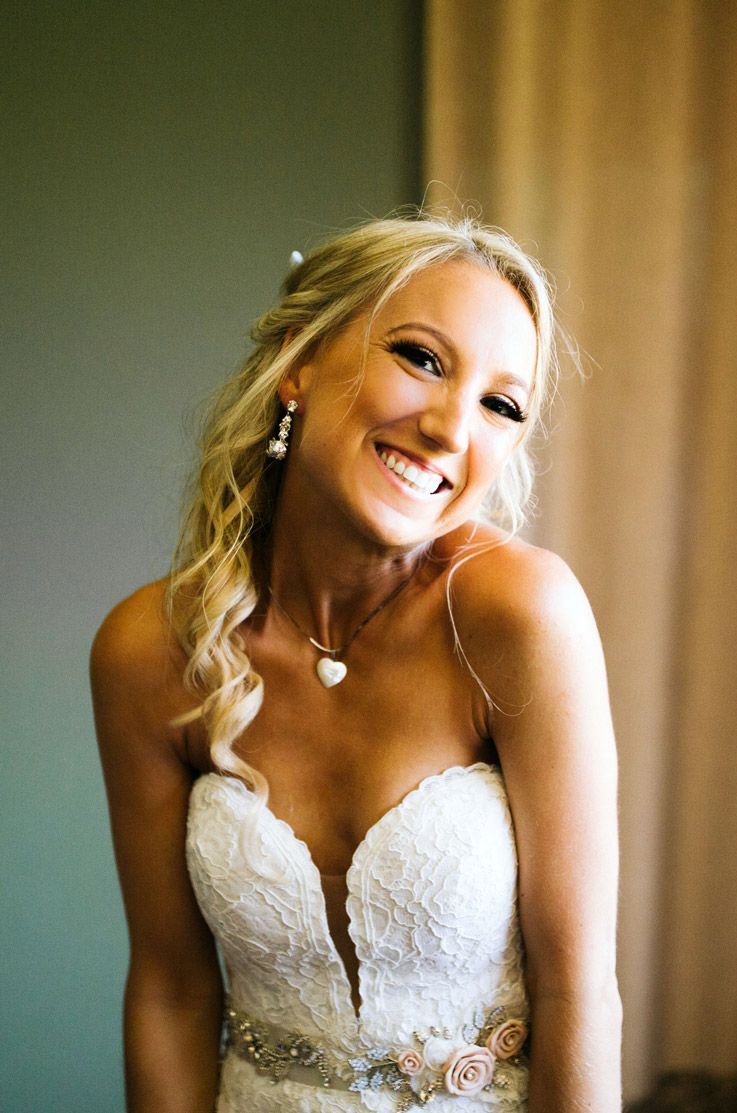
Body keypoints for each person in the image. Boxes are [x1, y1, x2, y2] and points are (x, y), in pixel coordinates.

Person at [90, 213, 622, 1113]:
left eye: (500, 405)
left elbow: (578, 990)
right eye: (420, 357)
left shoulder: (518, 616)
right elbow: (170, 990)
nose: (450, 427)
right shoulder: (150, 648)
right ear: (298, 362)